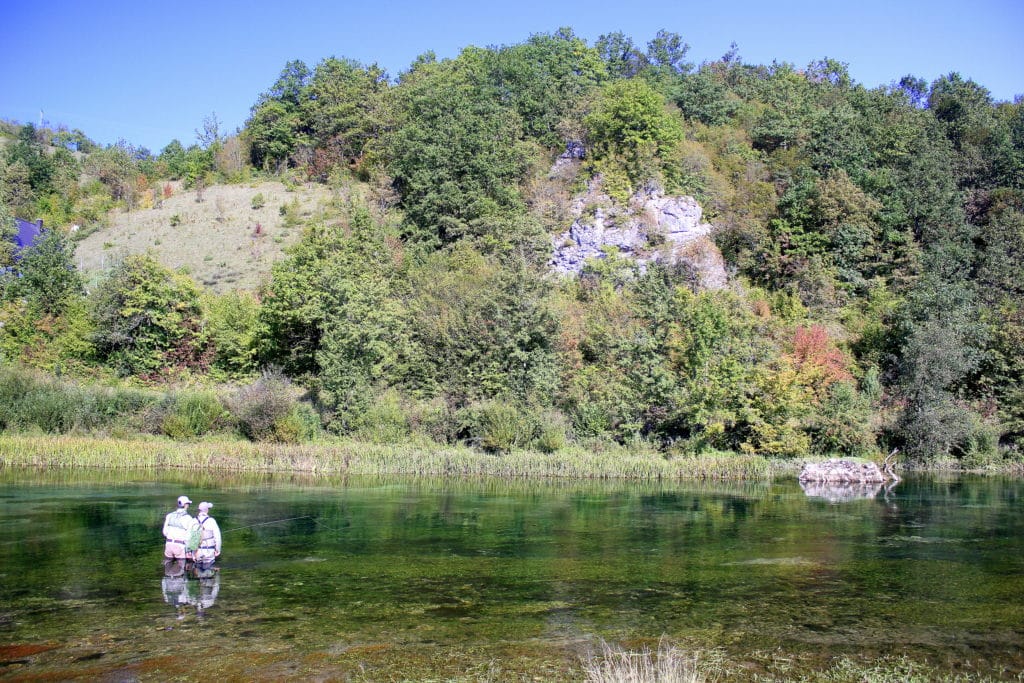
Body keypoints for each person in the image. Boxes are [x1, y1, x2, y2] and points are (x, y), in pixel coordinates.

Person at [163, 495, 197, 560]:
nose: (188, 505)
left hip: (168, 544)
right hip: (180, 546)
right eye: (188, 504)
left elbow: (164, 532)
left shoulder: (169, 515)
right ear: (185, 505)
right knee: (180, 567)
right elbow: (189, 536)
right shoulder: (188, 518)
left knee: (167, 568)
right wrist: (189, 551)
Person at [193, 501, 222, 565]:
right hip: (209, 551)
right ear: (207, 510)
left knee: (198, 570)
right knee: (209, 570)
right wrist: (218, 549)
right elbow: (217, 537)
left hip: (197, 551)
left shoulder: (193, 520)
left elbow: (189, 537)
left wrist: (192, 553)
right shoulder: (211, 521)